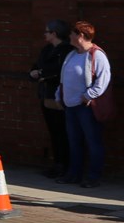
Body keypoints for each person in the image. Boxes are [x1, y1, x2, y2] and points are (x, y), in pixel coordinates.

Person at [56, 20, 111, 188]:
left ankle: (93, 176)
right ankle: (74, 174)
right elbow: (64, 78)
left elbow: (103, 80)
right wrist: (59, 94)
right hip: (70, 106)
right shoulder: (72, 54)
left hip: (86, 107)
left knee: (93, 141)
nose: (69, 37)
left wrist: (89, 95)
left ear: (80, 35)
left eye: (72, 34)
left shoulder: (96, 55)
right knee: (74, 141)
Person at [29, 19, 72, 177]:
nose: (44, 34)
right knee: (53, 131)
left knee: (62, 131)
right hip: (46, 94)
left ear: (54, 33)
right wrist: (35, 73)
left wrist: (42, 74)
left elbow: (60, 71)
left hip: (59, 96)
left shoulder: (67, 50)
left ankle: (65, 164)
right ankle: (57, 163)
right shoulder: (46, 50)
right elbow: (37, 66)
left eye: (47, 31)